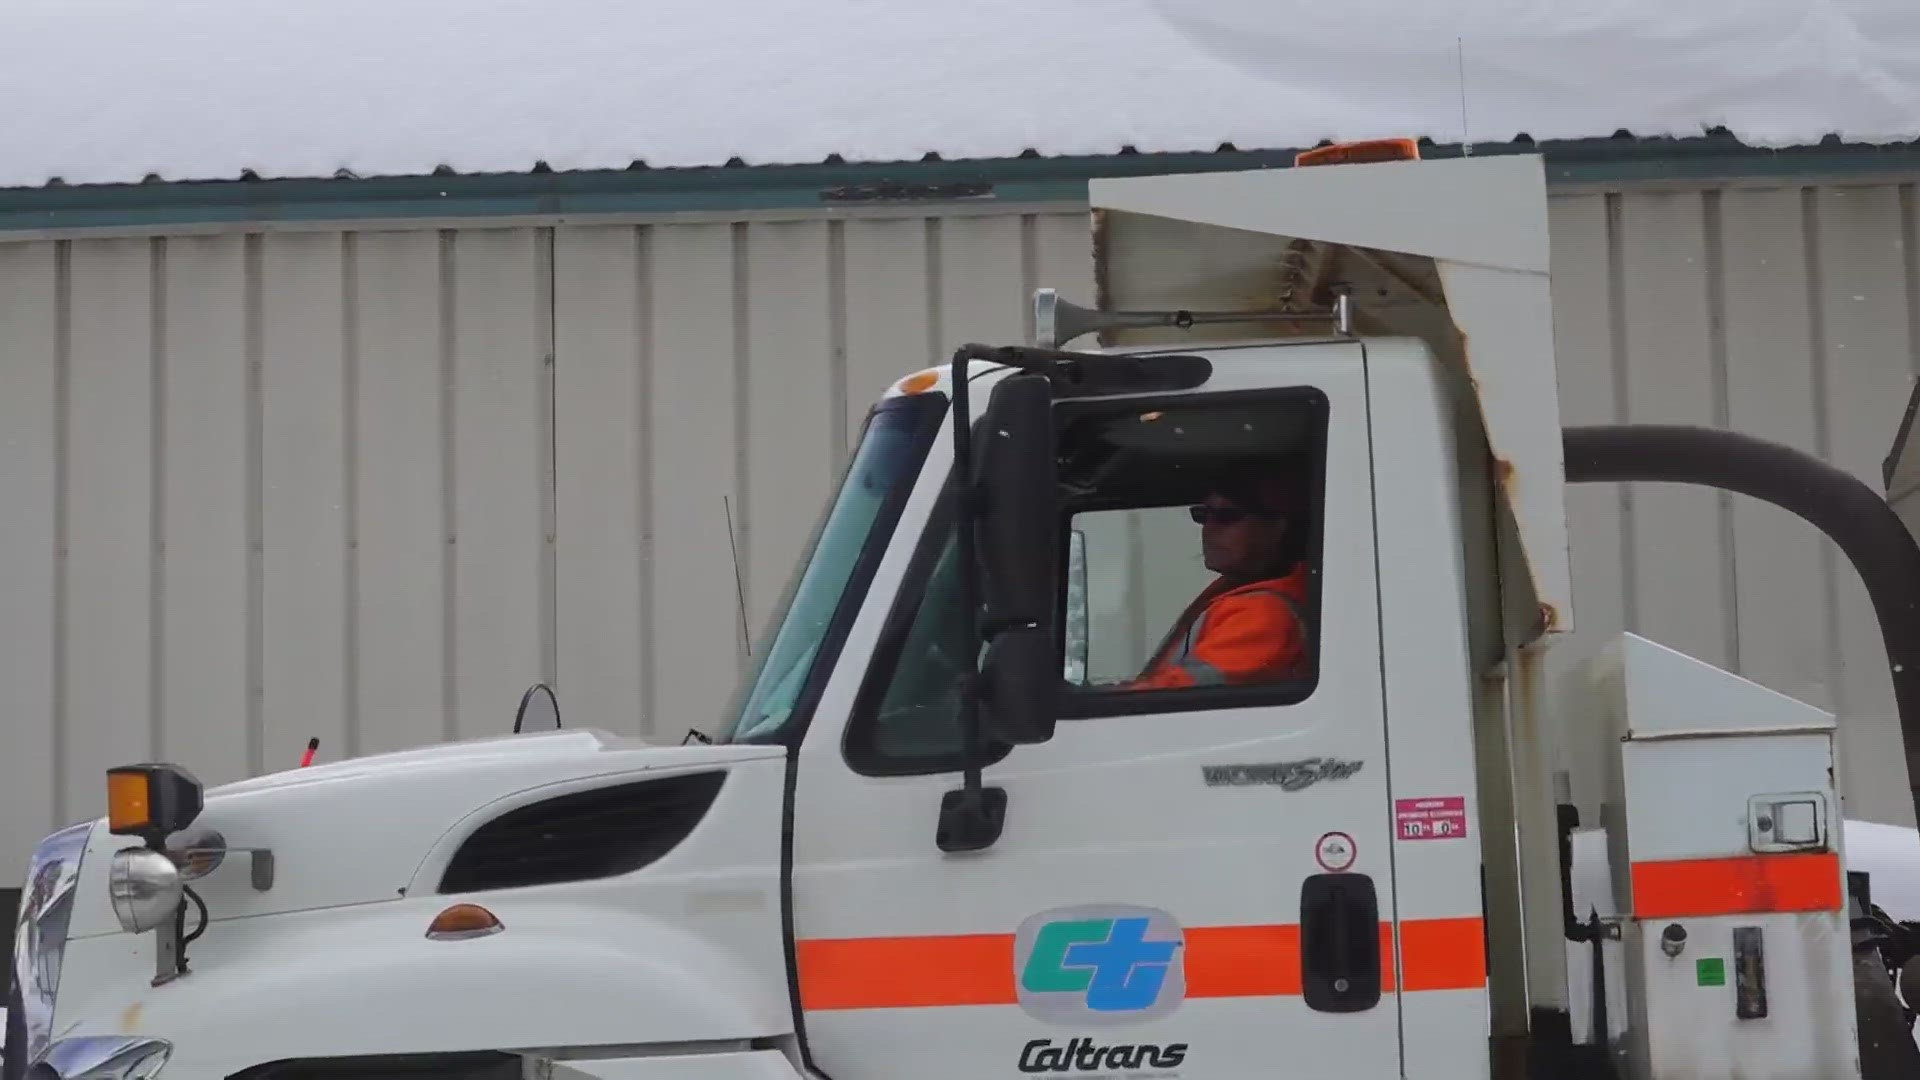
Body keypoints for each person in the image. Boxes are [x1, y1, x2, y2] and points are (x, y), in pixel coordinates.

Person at [1128, 469, 1313, 690]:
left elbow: (1179, 693)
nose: (1208, 529)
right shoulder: (1242, 593)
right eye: (1203, 515)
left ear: (1277, 527)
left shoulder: (1265, 611)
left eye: (1227, 516)